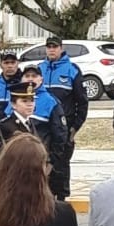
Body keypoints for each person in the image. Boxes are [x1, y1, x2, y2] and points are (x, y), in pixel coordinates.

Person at [0, 83, 68, 175]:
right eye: (24, 101)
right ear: (13, 104)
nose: (30, 104)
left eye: (32, 100)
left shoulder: (31, 123)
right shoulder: (4, 126)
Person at [38, 36, 88, 200]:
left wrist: (75, 128)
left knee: (60, 169)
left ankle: (61, 202)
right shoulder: (39, 69)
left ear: (61, 48)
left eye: (55, 47)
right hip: (43, 130)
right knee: (41, 170)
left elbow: (82, 102)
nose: (51, 50)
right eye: (49, 47)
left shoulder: (72, 70)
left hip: (63, 131)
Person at [17, 65, 71, 200]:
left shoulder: (50, 101)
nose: (30, 79)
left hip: (41, 164)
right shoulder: (15, 100)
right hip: (19, 163)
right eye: (27, 76)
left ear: (41, 79)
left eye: (34, 76)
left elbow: (60, 136)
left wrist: (51, 163)